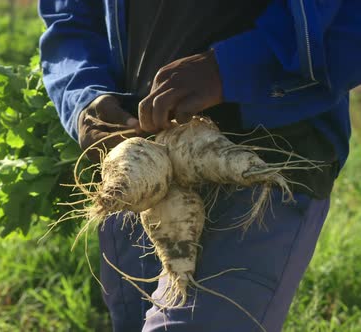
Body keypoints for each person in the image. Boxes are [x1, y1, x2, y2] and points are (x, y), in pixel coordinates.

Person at [38, 1, 361, 331]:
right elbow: (68, 17)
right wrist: (84, 97)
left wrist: (236, 65)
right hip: (137, 163)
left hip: (272, 150)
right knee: (134, 320)